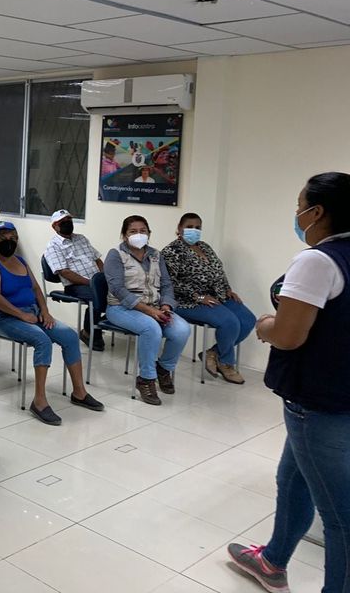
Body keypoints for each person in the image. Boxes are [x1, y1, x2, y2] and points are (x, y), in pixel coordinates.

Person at [228, 172, 350, 593]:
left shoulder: (317, 261)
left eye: (299, 206)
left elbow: (289, 335)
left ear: (317, 212)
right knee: (293, 478)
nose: (296, 215)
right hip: (339, 391)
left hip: (318, 401)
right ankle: (272, 561)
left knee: (340, 517)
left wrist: (264, 325)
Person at [0, 222, 104, 425]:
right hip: (3, 318)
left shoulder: (21, 261)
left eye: (12, 238)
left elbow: (37, 289)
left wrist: (46, 312)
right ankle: (39, 401)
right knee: (42, 340)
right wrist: (21, 315)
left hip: (33, 314)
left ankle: (79, 392)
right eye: (3, 238)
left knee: (69, 336)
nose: (9, 241)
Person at [104, 215, 191, 406]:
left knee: (182, 329)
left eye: (143, 231)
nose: (139, 234)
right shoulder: (115, 255)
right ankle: (146, 378)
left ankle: (164, 368)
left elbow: (166, 284)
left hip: (155, 307)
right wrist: (150, 312)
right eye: (133, 231)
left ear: (149, 233)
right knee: (151, 329)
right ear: (124, 235)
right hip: (121, 308)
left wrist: (166, 306)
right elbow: (117, 289)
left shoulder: (156, 255)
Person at [162, 213, 252, 384]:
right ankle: (226, 363)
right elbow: (170, 283)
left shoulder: (204, 247)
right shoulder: (171, 251)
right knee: (229, 322)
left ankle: (213, 353)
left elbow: (218, 270)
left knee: (247, 320)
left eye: (198, 227)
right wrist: (199, 296)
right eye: (189, 227)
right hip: (187, 301)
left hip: (216, 295)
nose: (194, 230)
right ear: (179, 228)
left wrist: (228, 289)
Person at [44, 209, 106, 352]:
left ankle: (94, 328)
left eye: (69, 220)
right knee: (98, 297)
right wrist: (91, 283)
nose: (68, 223)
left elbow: (97, 260)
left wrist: (105, 277)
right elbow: (64, 272)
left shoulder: (81, 238)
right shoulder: (53, 246)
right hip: (75, 285)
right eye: (63, 222)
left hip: (95, 281)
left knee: (118, 294)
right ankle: (90, 333)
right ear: (54, 226)